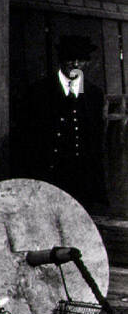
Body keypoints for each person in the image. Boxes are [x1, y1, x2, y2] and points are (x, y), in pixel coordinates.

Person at [18, 35, 106, 212]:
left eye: (80, 60)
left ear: (87, 62)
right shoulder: (39, 91)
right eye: (70, 59)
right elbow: (29, 138)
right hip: (51, 175)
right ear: (61, 60)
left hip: (82, 178)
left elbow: (95, 140)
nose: (75, 64)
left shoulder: (94, 94)